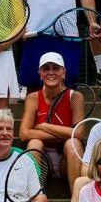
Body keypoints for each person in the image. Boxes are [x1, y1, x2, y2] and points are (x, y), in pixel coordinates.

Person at [19, 52, 85, 192]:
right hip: (44, 161)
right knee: (34, 143)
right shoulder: (33, 98)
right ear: (40, 73)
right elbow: (24, 134)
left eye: (55, 68)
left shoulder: (75, 97)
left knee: (72, 144)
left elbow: (78, 133)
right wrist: (64, 133)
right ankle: (33, 197)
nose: (51, 72)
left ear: (64, 72)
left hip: (66, 160)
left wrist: (44, 126)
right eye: (46, 68)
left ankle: (76, 200)